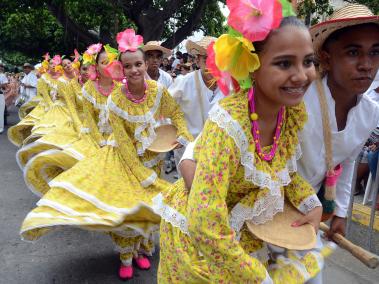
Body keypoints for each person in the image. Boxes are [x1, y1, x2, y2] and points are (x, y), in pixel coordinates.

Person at [178, 4, 379, 283]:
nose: (366, 64)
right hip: (227, 221)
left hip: (286, 213)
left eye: (306, 62)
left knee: (310, 275)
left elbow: (328, 165)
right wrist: (191, 167)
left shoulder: (295, 110)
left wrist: (328, 208)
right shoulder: (261, 109)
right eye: (353, 52)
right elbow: (209, 146)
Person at [153, 0, 336, 280]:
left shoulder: (291, 112)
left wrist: (312, 203)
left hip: (242, 227)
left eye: (308, 61)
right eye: (284, 63)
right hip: (199, 237)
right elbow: (205, 221)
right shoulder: (229, 123)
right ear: (251, 66)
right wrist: (253, 276)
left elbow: (281, 172)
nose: (302, 75)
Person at [20, 29, 193, 281]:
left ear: (145, 65)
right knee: (126, 204)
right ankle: (125, 255)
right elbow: (123, 143)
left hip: (153, 155)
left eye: (138, 64)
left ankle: (141, 249)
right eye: (129, 66)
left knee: (146, 206)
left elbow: (176, 113)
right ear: (121, 69)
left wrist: (183, 134)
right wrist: (142, 175)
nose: (134, 70)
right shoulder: (116, 100)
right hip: (124, 159)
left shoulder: (157, 91)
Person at [168, 36, 224, 173]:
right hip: (187, 150)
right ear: (198, 60)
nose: (212, 65)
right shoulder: (184, 82)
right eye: (207, 60)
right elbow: (165, 108)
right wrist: (176, 135)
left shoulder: (229, 86)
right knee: (187, 190)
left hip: (218, 151)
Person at [0, 63, 9, 134]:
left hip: (0, 95)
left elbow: (6, 86)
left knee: (0, 112)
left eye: (1, 67)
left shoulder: (2, 75)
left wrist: (1, 85)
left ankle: (0, 128)